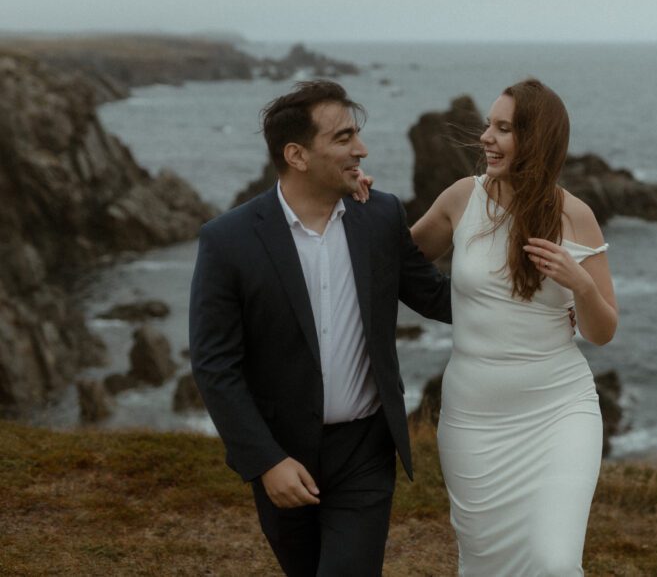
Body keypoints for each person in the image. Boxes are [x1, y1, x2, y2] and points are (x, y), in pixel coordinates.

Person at [188, 80, 451, 576]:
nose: (362, 149)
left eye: (358, 135)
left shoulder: (381, 215)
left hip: (366, 450)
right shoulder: (227, 241)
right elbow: (214, 364)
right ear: (297, 155)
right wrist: (266, 461)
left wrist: (531, 300)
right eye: (344, 137)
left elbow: (435, 296)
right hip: (283, 452)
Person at [410, 78, 618, 575]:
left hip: (558, 413)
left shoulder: (577, 217)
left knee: (554, 561)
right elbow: (395, 259)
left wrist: (580, 285)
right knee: (484, 565)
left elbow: (603, 329)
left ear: (536, 139)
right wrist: (359, 205)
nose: (486, 137)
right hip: (472, 423)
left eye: (503, 128)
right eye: (489, 125)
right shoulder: (462, 198)